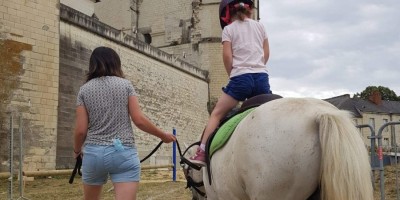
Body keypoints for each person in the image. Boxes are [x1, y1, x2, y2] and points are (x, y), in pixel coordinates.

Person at [73, 46, 176, 200]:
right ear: (116, 63)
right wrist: (163, 136)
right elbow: (139, 120)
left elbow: (81, 130)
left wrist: (76, 151)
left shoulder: (84, 90)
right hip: (123, 151)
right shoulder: (125, 85)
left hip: (94, 153)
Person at [189, 0, 271, 166]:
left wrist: (233, 73)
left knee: (217, 114)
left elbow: (227, 56)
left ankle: (202, 152)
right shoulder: (260, 26)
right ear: (249, 10)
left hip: (241, 78)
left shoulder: (228, 29)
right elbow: (266, 52)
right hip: (261, 77)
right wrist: (258, 66)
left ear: (227, 15)